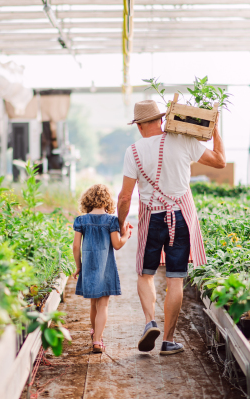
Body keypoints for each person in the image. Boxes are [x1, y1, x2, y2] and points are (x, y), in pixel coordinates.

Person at [117, 100, 226, 355]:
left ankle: (149, 323)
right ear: (161, 120)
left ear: (140, 126)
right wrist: (215, 130)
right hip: (181, 216)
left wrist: (121, 224)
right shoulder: (183, 141)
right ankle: (168, 340)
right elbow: (220, 161)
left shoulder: (133, 151)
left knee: (145, 274)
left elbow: (124, 197)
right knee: (175, 279)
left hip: (151, 217)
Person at [72, 184, 132, 353]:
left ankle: (94, 333)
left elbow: (76, 246)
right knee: (103, 305)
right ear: (107, 201)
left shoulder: (81, 220)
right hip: (105, 266)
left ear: (87, 200)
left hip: (89, 266)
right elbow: (117, 244)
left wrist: (79, 266)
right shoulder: (111, 221)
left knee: (93, 304)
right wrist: (125, 235)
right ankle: (98, 340)